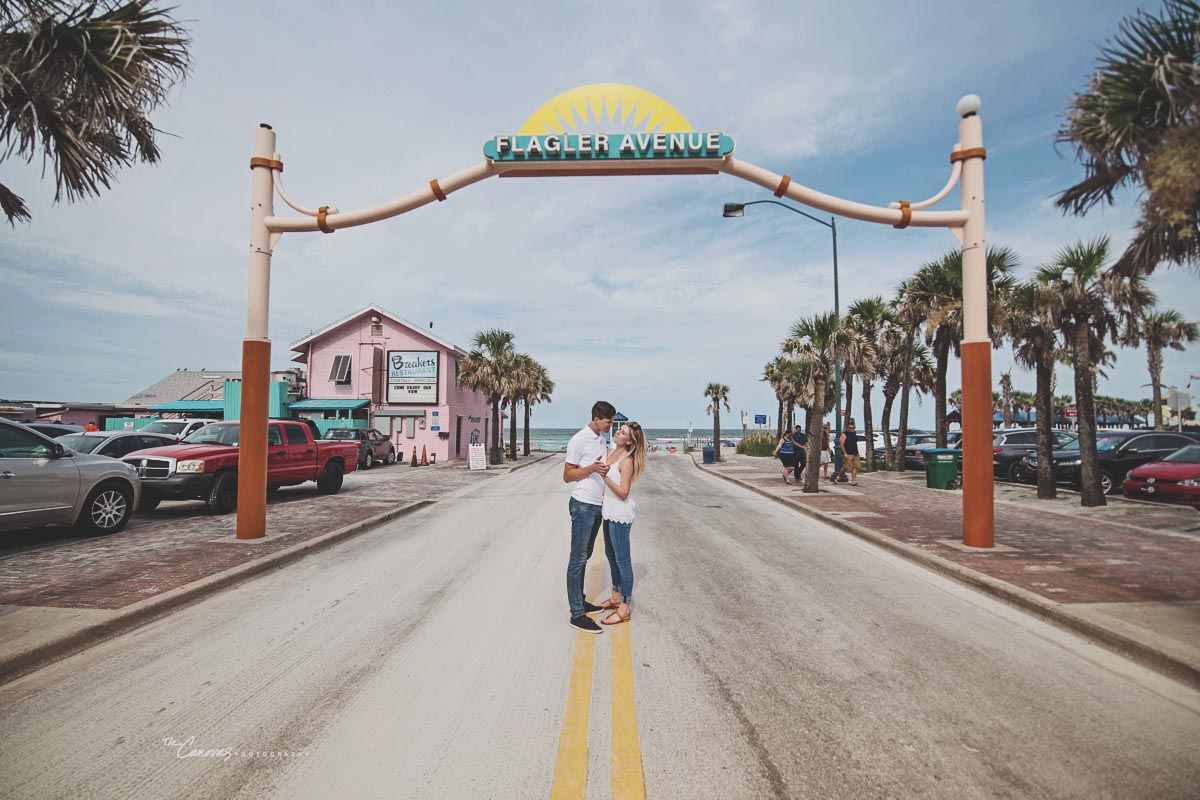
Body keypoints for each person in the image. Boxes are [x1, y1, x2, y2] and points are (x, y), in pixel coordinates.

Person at [563, 400, 617, 634]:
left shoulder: (601, 440)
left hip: (596, 506)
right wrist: (592, 469)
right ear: (596, 419)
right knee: (577, 558)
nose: (610, 424)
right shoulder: (579, 440)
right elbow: (567, 475)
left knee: (585, 557)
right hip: (583, 504)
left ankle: (580, 601)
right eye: (608, 421)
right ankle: (577, 614)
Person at [596, 421, 647, 625]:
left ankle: (624, 607)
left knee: (623, 561)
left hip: (620, 514)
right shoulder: (611, 452)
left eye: (623, 432)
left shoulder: (626, 460)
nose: (618, 431)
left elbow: (624, 493)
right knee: (611, 555)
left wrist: (605, 477)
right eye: (619, 429)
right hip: (608, 512)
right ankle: (616, 596)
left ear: (629, 441)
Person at [833, 419, 862, 486]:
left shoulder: (854, 433)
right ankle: (838, 476)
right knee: (846, 467)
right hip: (848, 453)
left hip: (855, 452)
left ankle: (853, 481)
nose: (852, 429)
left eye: (853, 428)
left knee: (855, 467)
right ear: (847, 427)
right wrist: (845, 453)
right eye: (850, 428)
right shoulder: (844, 435)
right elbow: (841, 445)